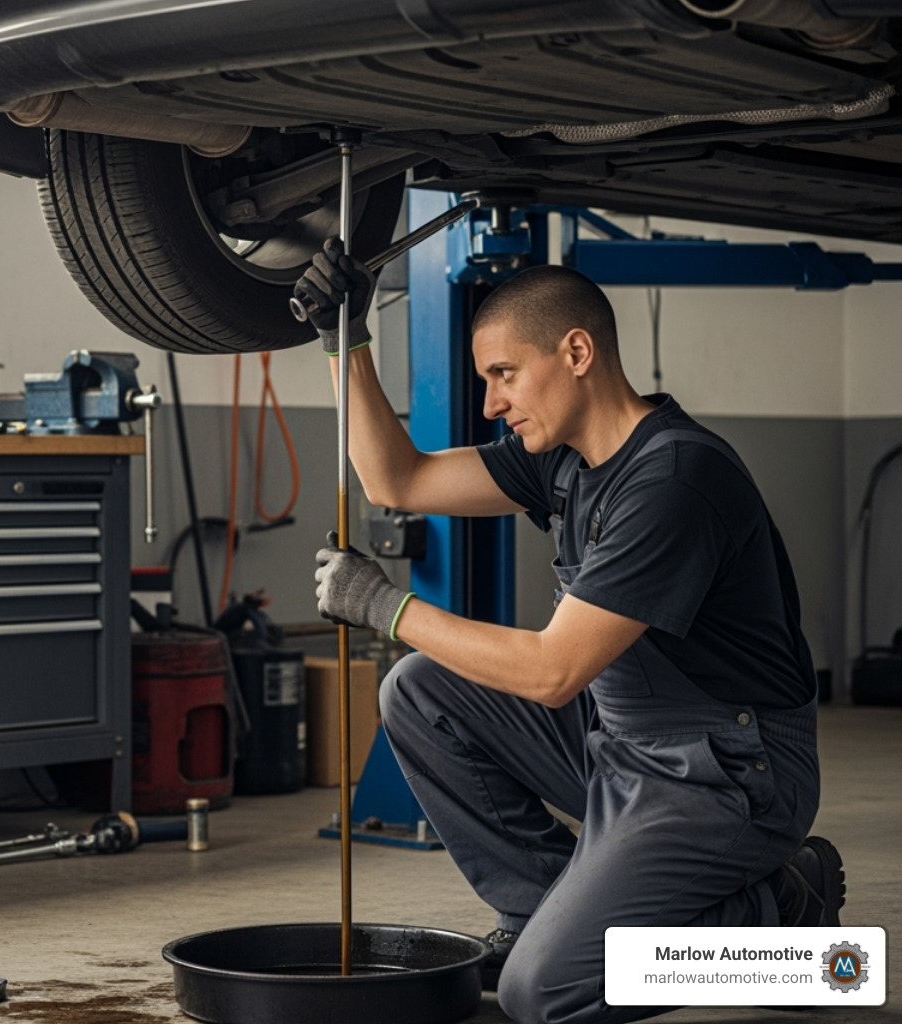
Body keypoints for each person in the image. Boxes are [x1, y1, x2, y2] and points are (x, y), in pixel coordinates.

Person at [297, 240, 843, 1024]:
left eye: (503, 375)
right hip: (622, 741)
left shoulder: (675, 480)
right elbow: (398, 481)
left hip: (728, 771)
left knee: (543, 991)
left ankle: (787, 928)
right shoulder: (560, 460)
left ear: (577, 352)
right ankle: (541, 910)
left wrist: (387, 608)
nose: (491, 404)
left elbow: (555, 671)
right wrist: (344, 338)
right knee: (418, 691)